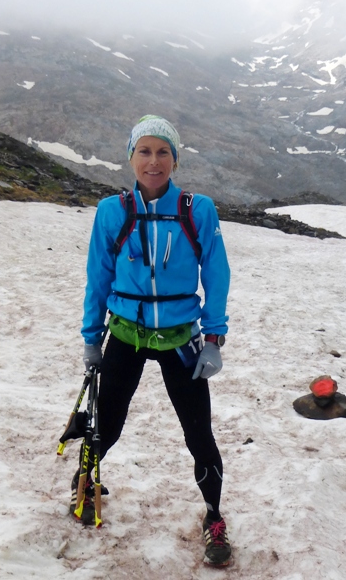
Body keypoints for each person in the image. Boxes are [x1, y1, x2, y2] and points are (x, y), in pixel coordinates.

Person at [76, 115, 232, 566]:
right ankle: (84, 484)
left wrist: (214, 338)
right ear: (131, 157)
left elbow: (216, 274)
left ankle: (214, 516)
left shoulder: (197, 209)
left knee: (199, 434)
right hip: (125, 333)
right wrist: (92, 338)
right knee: (107, 424)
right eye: (144, 151)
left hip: (181, 338)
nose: (154, 161)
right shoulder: (112, 211)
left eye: (163, 152)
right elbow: (98, 276)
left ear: (175, 159)